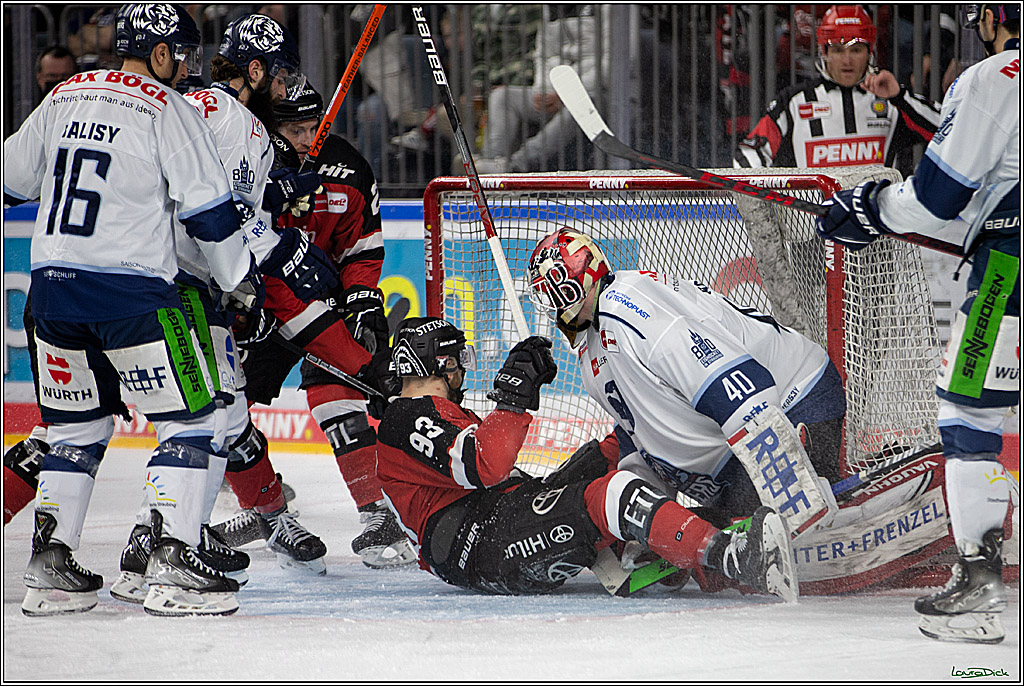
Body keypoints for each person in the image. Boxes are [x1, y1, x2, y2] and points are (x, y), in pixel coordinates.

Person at [3, 3, 255, 617]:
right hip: (135, 298)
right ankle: (173, 564)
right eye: (184, 56)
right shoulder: (167, 108)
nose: (187, 69)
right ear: (162, 53)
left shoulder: (65, 92)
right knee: (195, 420)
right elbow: (211, 214)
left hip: (53, 294)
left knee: (74, 431)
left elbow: (11, 180)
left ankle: (49, 566)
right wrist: (241, 283)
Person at [111, 13, 339, 590]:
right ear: (256, 70)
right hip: (182, 285)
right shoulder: (233, 118)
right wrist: (273, 253)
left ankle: (250, 521)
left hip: (164, 280)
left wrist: (274, 192)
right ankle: (158, 539)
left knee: (225, 413)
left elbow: (218, 193)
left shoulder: (200, 108)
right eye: (281, 73)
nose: (287, 88)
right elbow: (214, 212)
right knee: (205, 417)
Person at [815, 3, 1018, 645]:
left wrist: (870, 206)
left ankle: (981, 584)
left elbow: (937, 198)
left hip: (1006, 276)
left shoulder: (993, 80)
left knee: (968, 415)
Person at [374, 316, 797, 599]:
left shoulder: (421, 415)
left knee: (614, 450)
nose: (464, 371)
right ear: (440, 362)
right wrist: (513, 397)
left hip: (498, 518)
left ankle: (695, 557)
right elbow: (485, 465)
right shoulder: (404, 416)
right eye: (459, 360)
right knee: (612, 495)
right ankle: (734, 557)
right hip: (479, 544)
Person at [527, 228, 848, 528]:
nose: (549, 304)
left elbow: (730, 382)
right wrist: (654, 521)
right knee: (737, 551)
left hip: (796, 398)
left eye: (551, 289)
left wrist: (790, 489)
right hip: (733, 454)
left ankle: (822, 496)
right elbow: (639, 431)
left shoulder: (629, 305)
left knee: (805, 521)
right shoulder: (592, 343)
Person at [215, 84, 414, 569]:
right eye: (293, 130)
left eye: (313, 128)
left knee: (346, 389)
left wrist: (363, 298)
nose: (306, 139)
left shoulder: (347, 167)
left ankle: (379, 514)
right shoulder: (246, 161)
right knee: (222, 404)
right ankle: (264, 507)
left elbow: (361, 248)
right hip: (261, 300)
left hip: (322, 304)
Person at [734, 5, 941, 177]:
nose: (847, 60)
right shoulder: (794, 101)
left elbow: (950, 128)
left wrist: (900, 97)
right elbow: (747, 155)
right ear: (823, 52)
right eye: (838, 50)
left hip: (877, 223)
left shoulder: (893, 100)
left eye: (856, 50)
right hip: (811, 224)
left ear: (870, 52)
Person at [475, 5, 610, 173]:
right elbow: (543, 55)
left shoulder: (611, 7)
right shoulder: (550, 8)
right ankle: (489, 164)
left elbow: (616, 63)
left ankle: (514, 166)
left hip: (600, 95)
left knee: (580, 106)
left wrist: (567, 93)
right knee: (502, 96)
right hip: (555, 92)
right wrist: (542, 90)